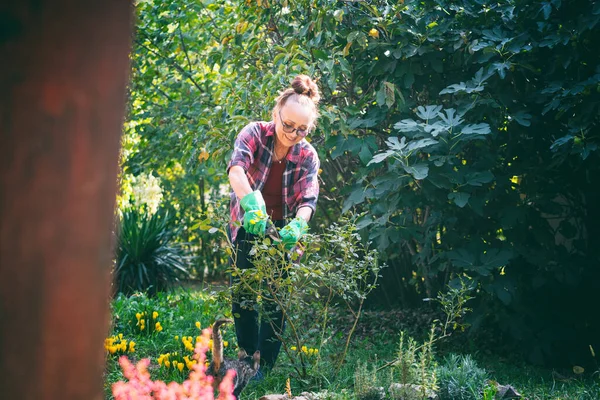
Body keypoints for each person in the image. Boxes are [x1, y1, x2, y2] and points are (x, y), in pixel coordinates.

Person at [226, 75, 321, 374]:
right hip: (250, 223)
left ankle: (264, 364)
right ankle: (245, 358)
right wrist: (251, 205)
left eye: (301, 129)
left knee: (275, 298)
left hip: (283, 231)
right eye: (288, 124)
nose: (293, 133)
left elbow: (308, 198)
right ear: (277, 112)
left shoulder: (307, 155)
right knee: (243, 292)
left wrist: (299, 226)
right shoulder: (254, 133)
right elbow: (236, 169)